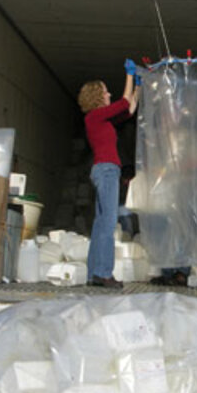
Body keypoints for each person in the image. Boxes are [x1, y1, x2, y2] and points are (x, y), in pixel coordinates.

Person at [78, 59, 140, 288]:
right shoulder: (95, 116)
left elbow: (129, 109)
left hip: (104, 171)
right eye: (105, 91)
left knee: (100, 222)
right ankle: (104, 273)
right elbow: (124, 102)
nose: (109, 94)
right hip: (107, 171)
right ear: (97, 96)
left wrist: (138, 86)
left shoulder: (102, 120)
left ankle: (94, 273)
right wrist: (129, 76)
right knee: (108, 223)